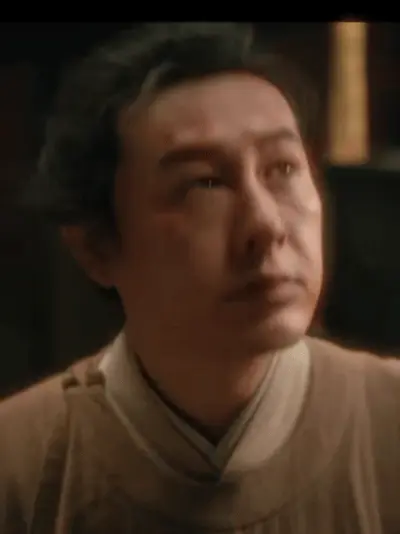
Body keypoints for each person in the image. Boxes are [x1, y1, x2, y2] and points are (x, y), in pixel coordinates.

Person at [1, 22, 399, 534]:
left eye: (282, 168)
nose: (266, 226)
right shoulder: (19, 470)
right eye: (205, 183)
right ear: (98, 246)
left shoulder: (388, 421)